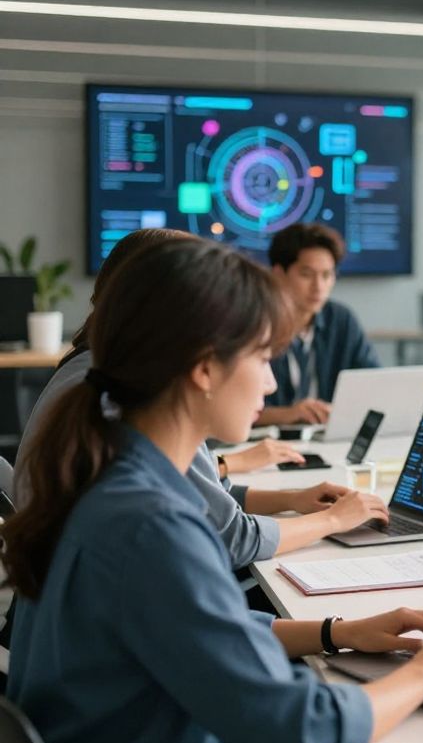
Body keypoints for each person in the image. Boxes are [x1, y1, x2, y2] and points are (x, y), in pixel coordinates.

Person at [0, 239, 423, 743]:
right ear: (203, 367)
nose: (272, 380)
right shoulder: (154, 527)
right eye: (262, 356)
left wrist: (338, 632)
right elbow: (298, 732)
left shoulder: (109, 478)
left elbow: (201, 632)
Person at [14, 229, 387, 568]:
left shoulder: (96, 367)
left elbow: (207, 499)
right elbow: (229, 539)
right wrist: (333, 521)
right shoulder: (148, 404)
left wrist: (292, 498)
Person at [257, 222, 380, 426]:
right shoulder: (254, 321)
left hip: (323, 436)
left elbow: (373, 384)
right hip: (262, 440)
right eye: (306, 274)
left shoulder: (341, 320)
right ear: (278, 274)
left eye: (327, 275)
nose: (319, 287)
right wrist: (288, 414)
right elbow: (225, 408)